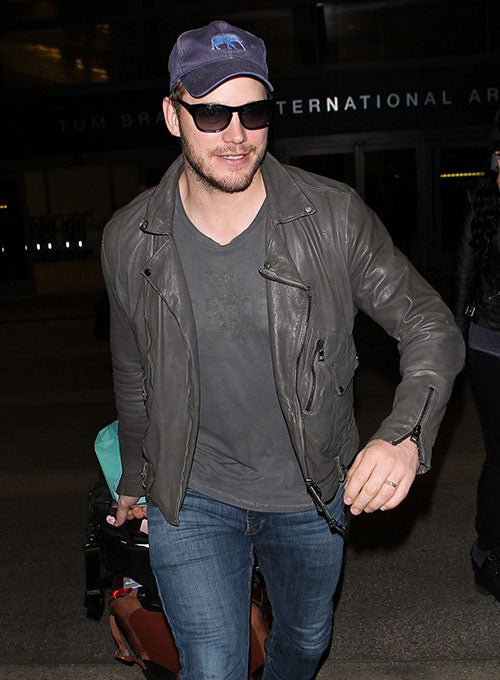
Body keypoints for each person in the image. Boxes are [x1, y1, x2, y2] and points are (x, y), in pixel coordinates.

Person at [102, 19, 464, 679]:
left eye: (254, 112)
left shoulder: (332, 217)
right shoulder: (130, 239)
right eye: (211, 113)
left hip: (311, 491)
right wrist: (134, 481)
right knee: (212, 666)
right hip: (192, 493)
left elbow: (429, 323)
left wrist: (406, 434)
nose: (236, 133)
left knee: (304, 641)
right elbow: (134, 374)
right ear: (172, 115)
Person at [454, 141, 500, 602]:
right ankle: (487, 551)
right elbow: (464, 277)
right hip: (490, 344)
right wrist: (454, 345)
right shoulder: (482, 204)